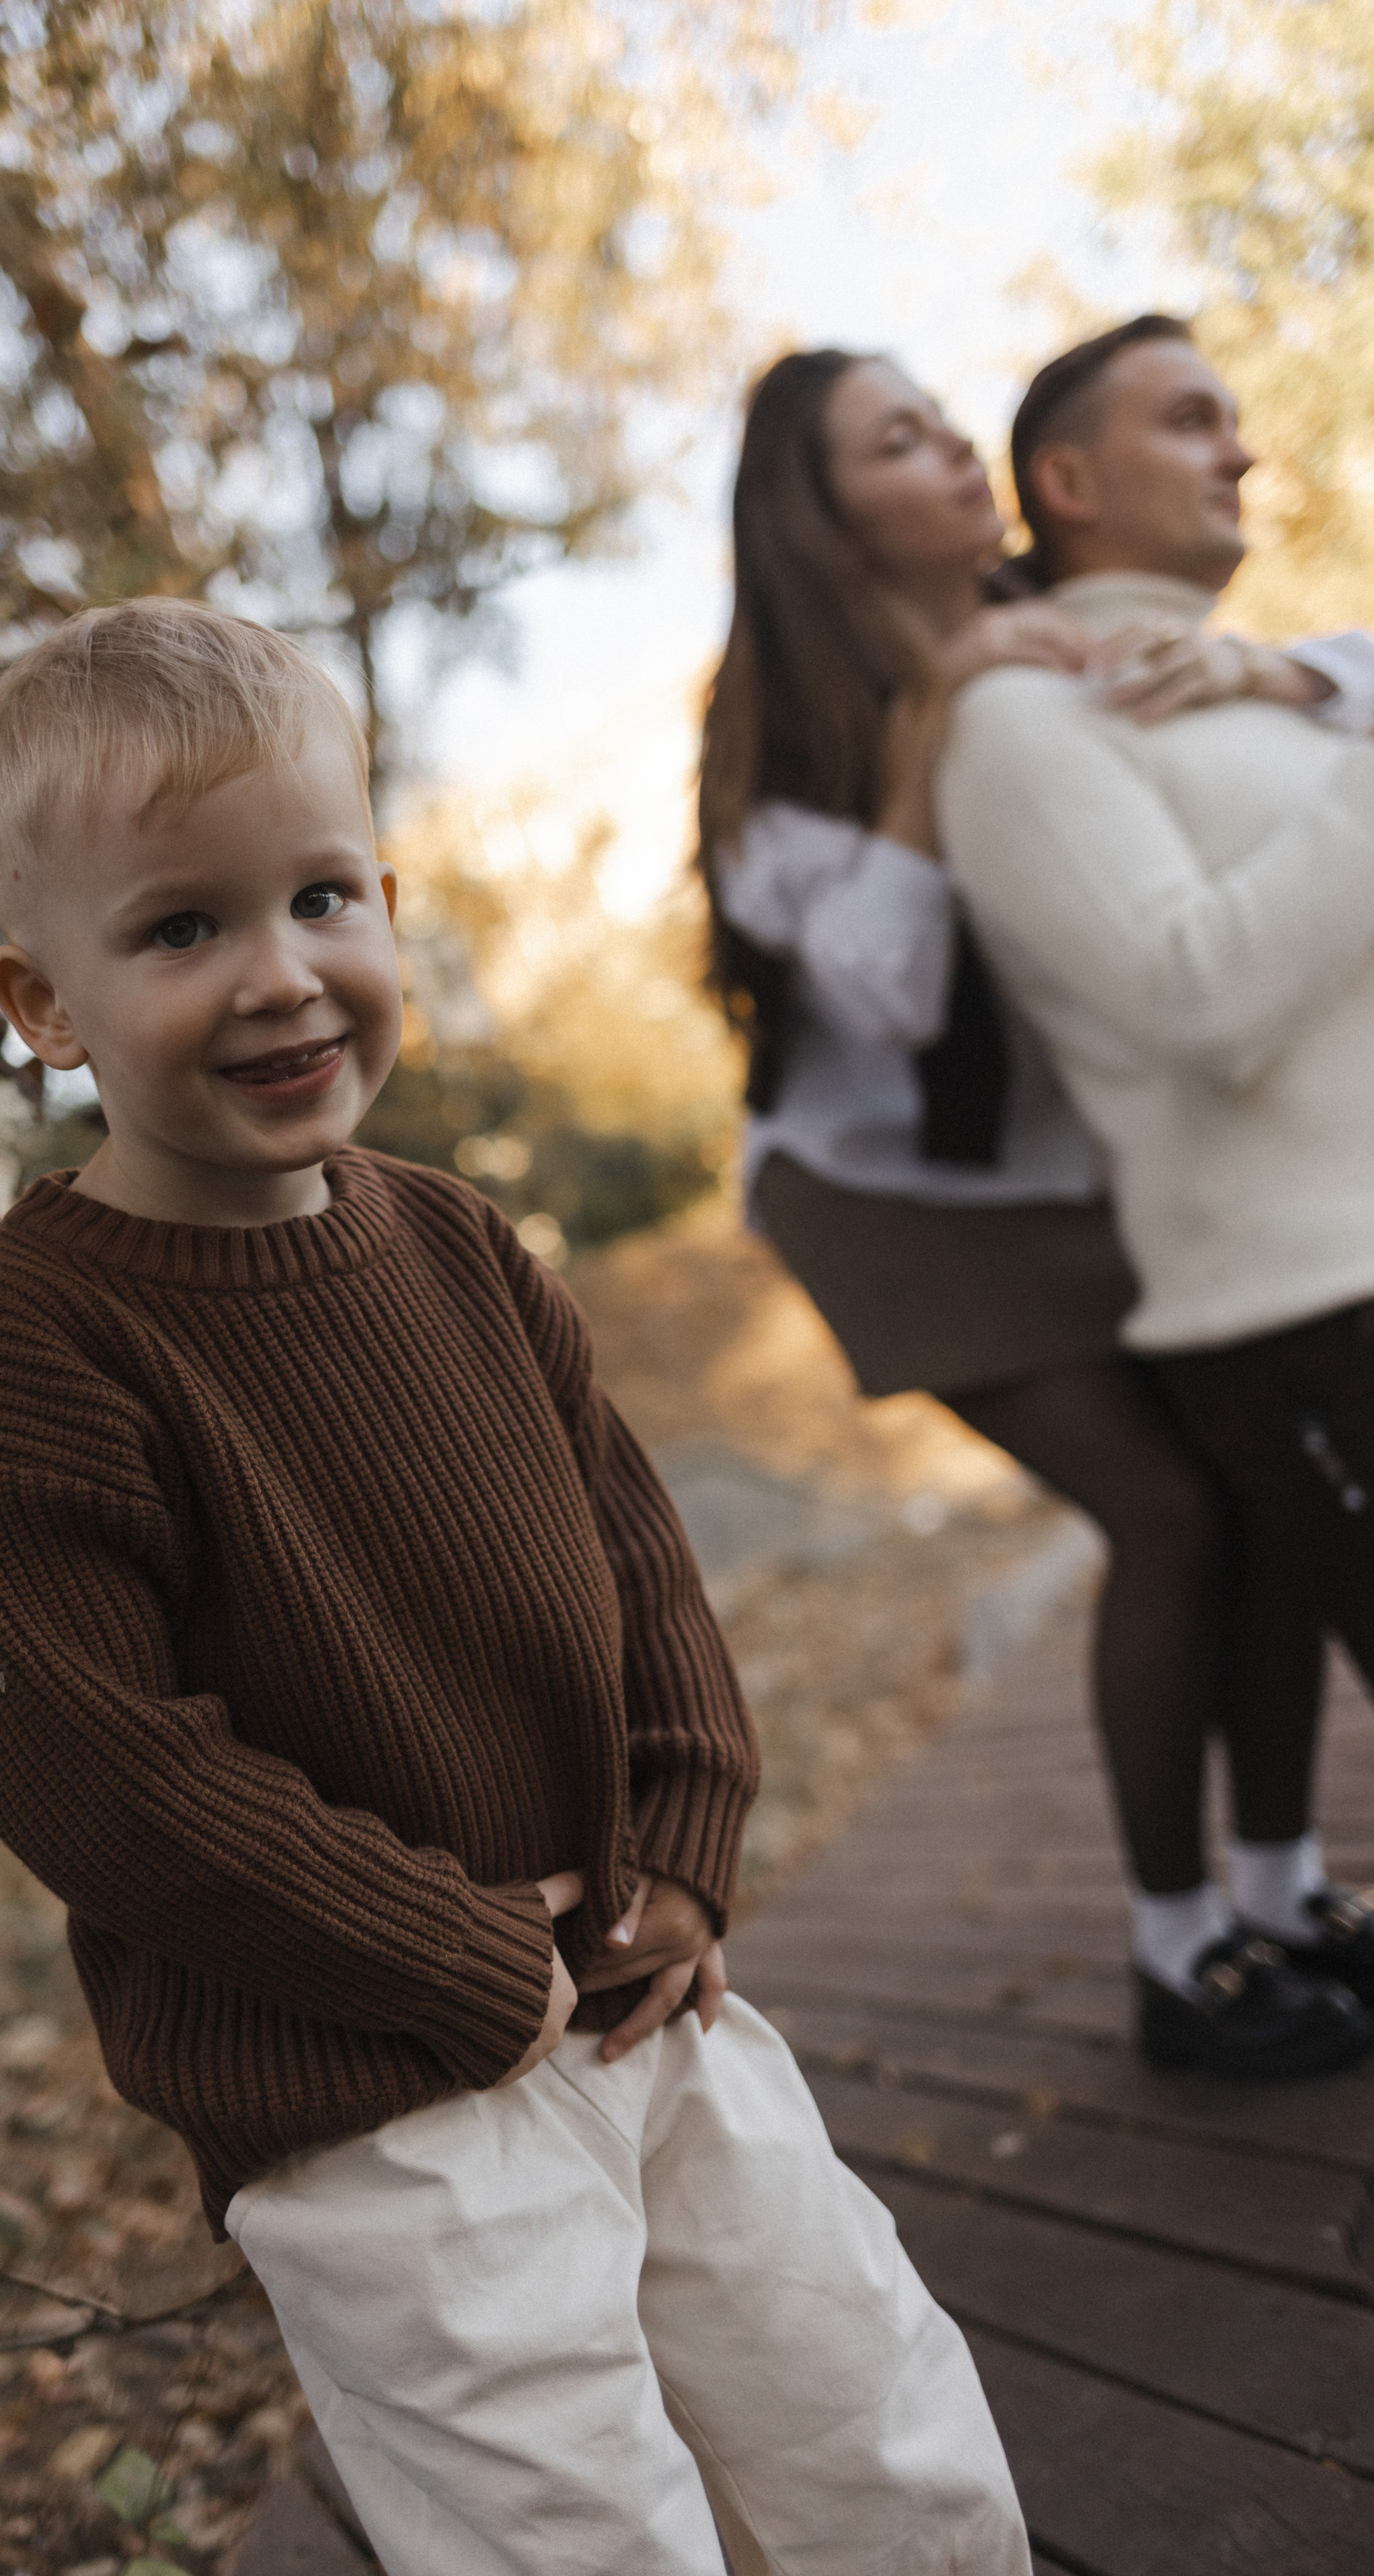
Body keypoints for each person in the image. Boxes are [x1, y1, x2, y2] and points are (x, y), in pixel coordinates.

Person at [0, 600, 1030, 2576]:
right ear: (43, 1001)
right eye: (181, 930)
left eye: (323, 898)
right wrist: (444, 1954)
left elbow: (636, 1556)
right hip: (370, 2095)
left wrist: (684, 1837)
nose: (283, 978)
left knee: (877, 2435)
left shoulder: (460, 1247)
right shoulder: (35, 1336)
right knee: (567, 2533)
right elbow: (85, 1753)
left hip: (639, 1998)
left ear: (389, 903)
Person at [699, 347, 1374, 2080]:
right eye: (898, 442)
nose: (952, 457)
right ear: (816, 504)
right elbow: (899, 994)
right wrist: (939, 726)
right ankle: (1177, 1951)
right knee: (1165, 1511)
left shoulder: (1046, 617)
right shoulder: (777, 725)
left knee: (1255, 1485)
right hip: (892, 1198)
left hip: (1062, 1171)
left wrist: (1263, 671)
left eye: (947, 426)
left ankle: (1292, 1893)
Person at [936, 313, 1374, 2065]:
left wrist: (1318, 690)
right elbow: (1196, 995)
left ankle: (1272, 1905)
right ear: (1068, 482)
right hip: (1303, 1305)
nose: (1241, 451)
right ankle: (1202, 1933)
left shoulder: (1268, 684)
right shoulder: (1023, 725)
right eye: (1190, 421)